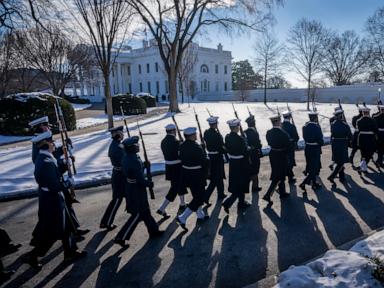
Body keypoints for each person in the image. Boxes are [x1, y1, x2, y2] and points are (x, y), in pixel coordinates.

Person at [23, 131, 87, 270]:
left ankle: (70, 252)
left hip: (54, 198)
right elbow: (54, 185)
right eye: (52, 143)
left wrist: (65, 164)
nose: (54, 145)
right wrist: (68, 183)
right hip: (52, 200)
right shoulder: (44, 162)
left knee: (67, 226)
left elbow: (55, 173)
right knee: (53, 232)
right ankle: (32, 256)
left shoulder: (46, 157)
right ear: (47, 144)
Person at [29, 116, 89, 237]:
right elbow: (47, 159)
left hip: (56, 178)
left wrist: (64, 149)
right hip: (52, 182)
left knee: (67, 204)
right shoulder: (39, 141)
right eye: (46, 125)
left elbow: (53, 153)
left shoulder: (44, 138)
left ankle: (74, 231)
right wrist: (63, 163)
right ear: (41, 126)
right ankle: (39, 240)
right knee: (49, 217)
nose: (49, 127)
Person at [114, 136, 163, 248]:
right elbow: (140, 179)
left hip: (132, 187)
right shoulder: (134, 160)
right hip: (136, 190)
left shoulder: (129, 157)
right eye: (137, 145)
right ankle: (121, 237)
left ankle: (154, 230)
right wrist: (149, 183)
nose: (138, 146)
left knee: (145, 211)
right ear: (132, 147)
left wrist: (144, 166)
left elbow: (135, 172)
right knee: (137, 214)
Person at [177, 127, 209, 231]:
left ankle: (200, 215)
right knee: (199, 197)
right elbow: (203, 162)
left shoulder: (182, 146)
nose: (196, 135)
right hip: (197, 175)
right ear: (191, 136)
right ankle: (183, 217)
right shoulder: (196, 147)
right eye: (195, 134)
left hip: (187, 174)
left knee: (196, 195)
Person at [157, 124, 188, 218]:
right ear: (174, 131)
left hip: (169, 167)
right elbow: (181, 154)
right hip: (177, 167)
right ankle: (162, 208)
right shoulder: (176, 141)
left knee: (180, 184)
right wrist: (183, 144)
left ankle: (182, 203)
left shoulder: (163, 141)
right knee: (174, 188)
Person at [100, 126, 127, 231]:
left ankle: (139, 215)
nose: (123, 135)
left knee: (126, 197)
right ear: (118, 135)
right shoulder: (116, 147)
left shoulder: (117, 145)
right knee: (117, 200)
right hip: (119, 175)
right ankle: (106, 222)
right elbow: (123, 160)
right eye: (121, 133)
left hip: (120, 174)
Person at [222, 119, 251, 213]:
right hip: (241, 163)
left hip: (233, 163)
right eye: (238, 126)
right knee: (241, 185)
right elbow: (245, 152)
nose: (239, 128)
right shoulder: (240, 139)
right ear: (236, 127)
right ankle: (228, 203)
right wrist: (248, 148)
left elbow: (226, 148)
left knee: (238, 184)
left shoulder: (227, 137)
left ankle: (241, 203)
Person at [262, 115, 291, 204]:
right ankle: (267, 195)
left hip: (273, 153)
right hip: (281, 155)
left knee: (279, 173)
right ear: (278, 122)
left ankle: (282, 192)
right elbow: (288, 146)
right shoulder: (283, 133)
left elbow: (269, 142)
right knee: (278, 176)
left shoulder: (269, 132)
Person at [203, 116, 227, 205]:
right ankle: (205, 196)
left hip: (211, 156)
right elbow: (220, 147)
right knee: (215, 179)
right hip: (217, 157)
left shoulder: (206, 132)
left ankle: (221, 193)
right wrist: (225, 149)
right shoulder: (216, 135)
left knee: (219, 176)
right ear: (215, 124)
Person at [299, 112, 324, 192]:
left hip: (307, 148)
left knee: (310, 166)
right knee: (314, 168)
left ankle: (314, 183)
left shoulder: (305, 127)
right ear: (315, 118)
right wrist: (320, 143)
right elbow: (320, 140)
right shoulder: (317, 127)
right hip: (314, 148)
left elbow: (304, 137)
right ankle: (303, 183)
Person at [327, 109, 352, 184]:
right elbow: (350, 136)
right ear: (341, 116)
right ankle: (332, 176)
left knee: (338, 161)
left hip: (335, 144)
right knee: (341, 162)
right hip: (342, 144)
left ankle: (342, 177)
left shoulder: (333, 124)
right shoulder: (345, 125)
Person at [244, 115, 263, 192]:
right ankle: (254, 187)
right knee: (255, 170)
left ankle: (255, 186)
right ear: (253, 123)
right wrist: (259, 145)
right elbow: (257, 144)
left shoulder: (245, 132)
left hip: (248, 154)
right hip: (254, 154)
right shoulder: (254, 132)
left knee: (252, 170)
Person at [356, 107, 378, 173]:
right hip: (370, 138)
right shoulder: (372, 120)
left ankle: (363, 168)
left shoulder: (358, 120)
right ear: (368, 112)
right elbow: (375, 130)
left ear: (362, 113)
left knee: (363, 154)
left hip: (361, 138)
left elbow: (358, 130)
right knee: (369, 153)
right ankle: (361, 166)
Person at [281, 111, 299, 184]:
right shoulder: (291, 126)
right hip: (290, 147)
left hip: (281, 147)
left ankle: (289, 176)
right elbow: (296, 137)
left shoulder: (280, 125)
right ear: (289, 117)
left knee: (285, 162)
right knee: (290, 162)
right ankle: (290, 177)